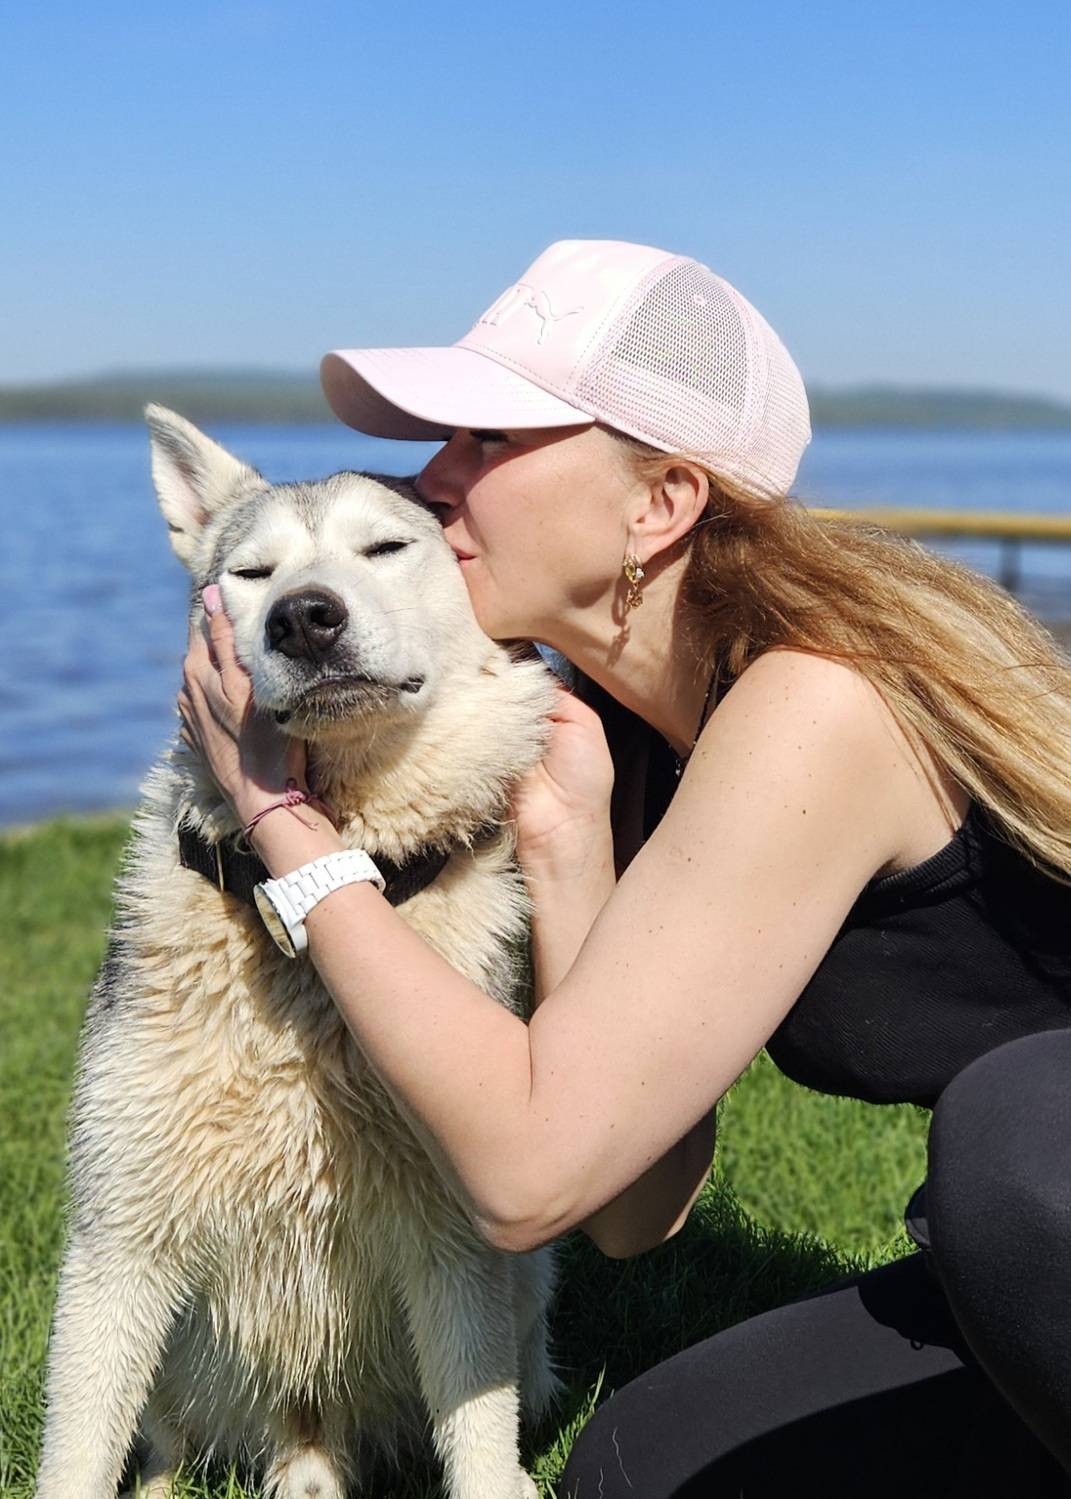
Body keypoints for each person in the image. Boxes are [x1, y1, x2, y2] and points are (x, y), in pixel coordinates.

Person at [178, 240, 1071, 1492]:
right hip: (1028, 1250)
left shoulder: (816, 703)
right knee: (634, 1470)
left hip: (1037, 1187)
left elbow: (523, 1183)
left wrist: (280, 818)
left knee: (1012, 1137)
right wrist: (571, 849)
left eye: (487, 440)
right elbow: (629, 1203)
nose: (432, 481)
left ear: (659, 504)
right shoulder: (629, 739)